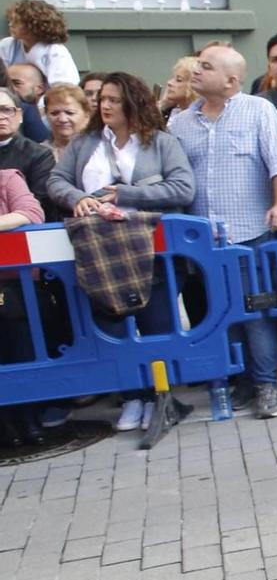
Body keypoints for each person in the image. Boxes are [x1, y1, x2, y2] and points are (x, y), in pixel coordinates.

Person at [47, 74, 195, 430]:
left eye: (114, 99)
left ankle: (160, 397)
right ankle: (132, 397)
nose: (105, 105)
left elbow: (183, 188)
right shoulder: (86, 142)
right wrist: (78, 198)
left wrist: (125, 195)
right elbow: (56, 180)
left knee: (155, 324)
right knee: (112, 326)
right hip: (99, 249)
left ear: (134, 103)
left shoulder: (161, 142)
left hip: (150, 249)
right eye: (102, 100)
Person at [169, 44, 277, 418]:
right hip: (200, 240)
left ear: (230, 80)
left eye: (206, 66)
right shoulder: (180, 121)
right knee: (216, 313)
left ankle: (265, 386)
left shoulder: (258, 110)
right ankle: (237, 382)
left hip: (249, 232)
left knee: (255, 313)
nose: (196, 70)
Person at [0, 166, 46, 447]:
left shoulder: (7, 178)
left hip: (13, 286)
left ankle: (29, 419)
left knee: (20, 350)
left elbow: (31, 214)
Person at [2, 0, 79, 89]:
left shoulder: (55, 52)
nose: (11, 25)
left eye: (17, 22)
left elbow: (64, 87)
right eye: (11, 20)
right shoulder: (8, 45)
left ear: (34, 25)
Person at [0, 87, 54, 204]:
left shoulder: (39, 155)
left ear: (19, 115)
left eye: (7, 110)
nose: (1, 116)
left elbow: (40, 200)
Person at [6, 61, 50, 142]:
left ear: (40, 88)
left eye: (17, 83)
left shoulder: (54, 118)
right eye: (6, 84)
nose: (10, 88)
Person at [39, 83, 84, 160]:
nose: (62, 119)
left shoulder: (97, 149)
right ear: (46, 114)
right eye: (54, 113)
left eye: (70, 113)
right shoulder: (38, 152)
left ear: (86, 113)